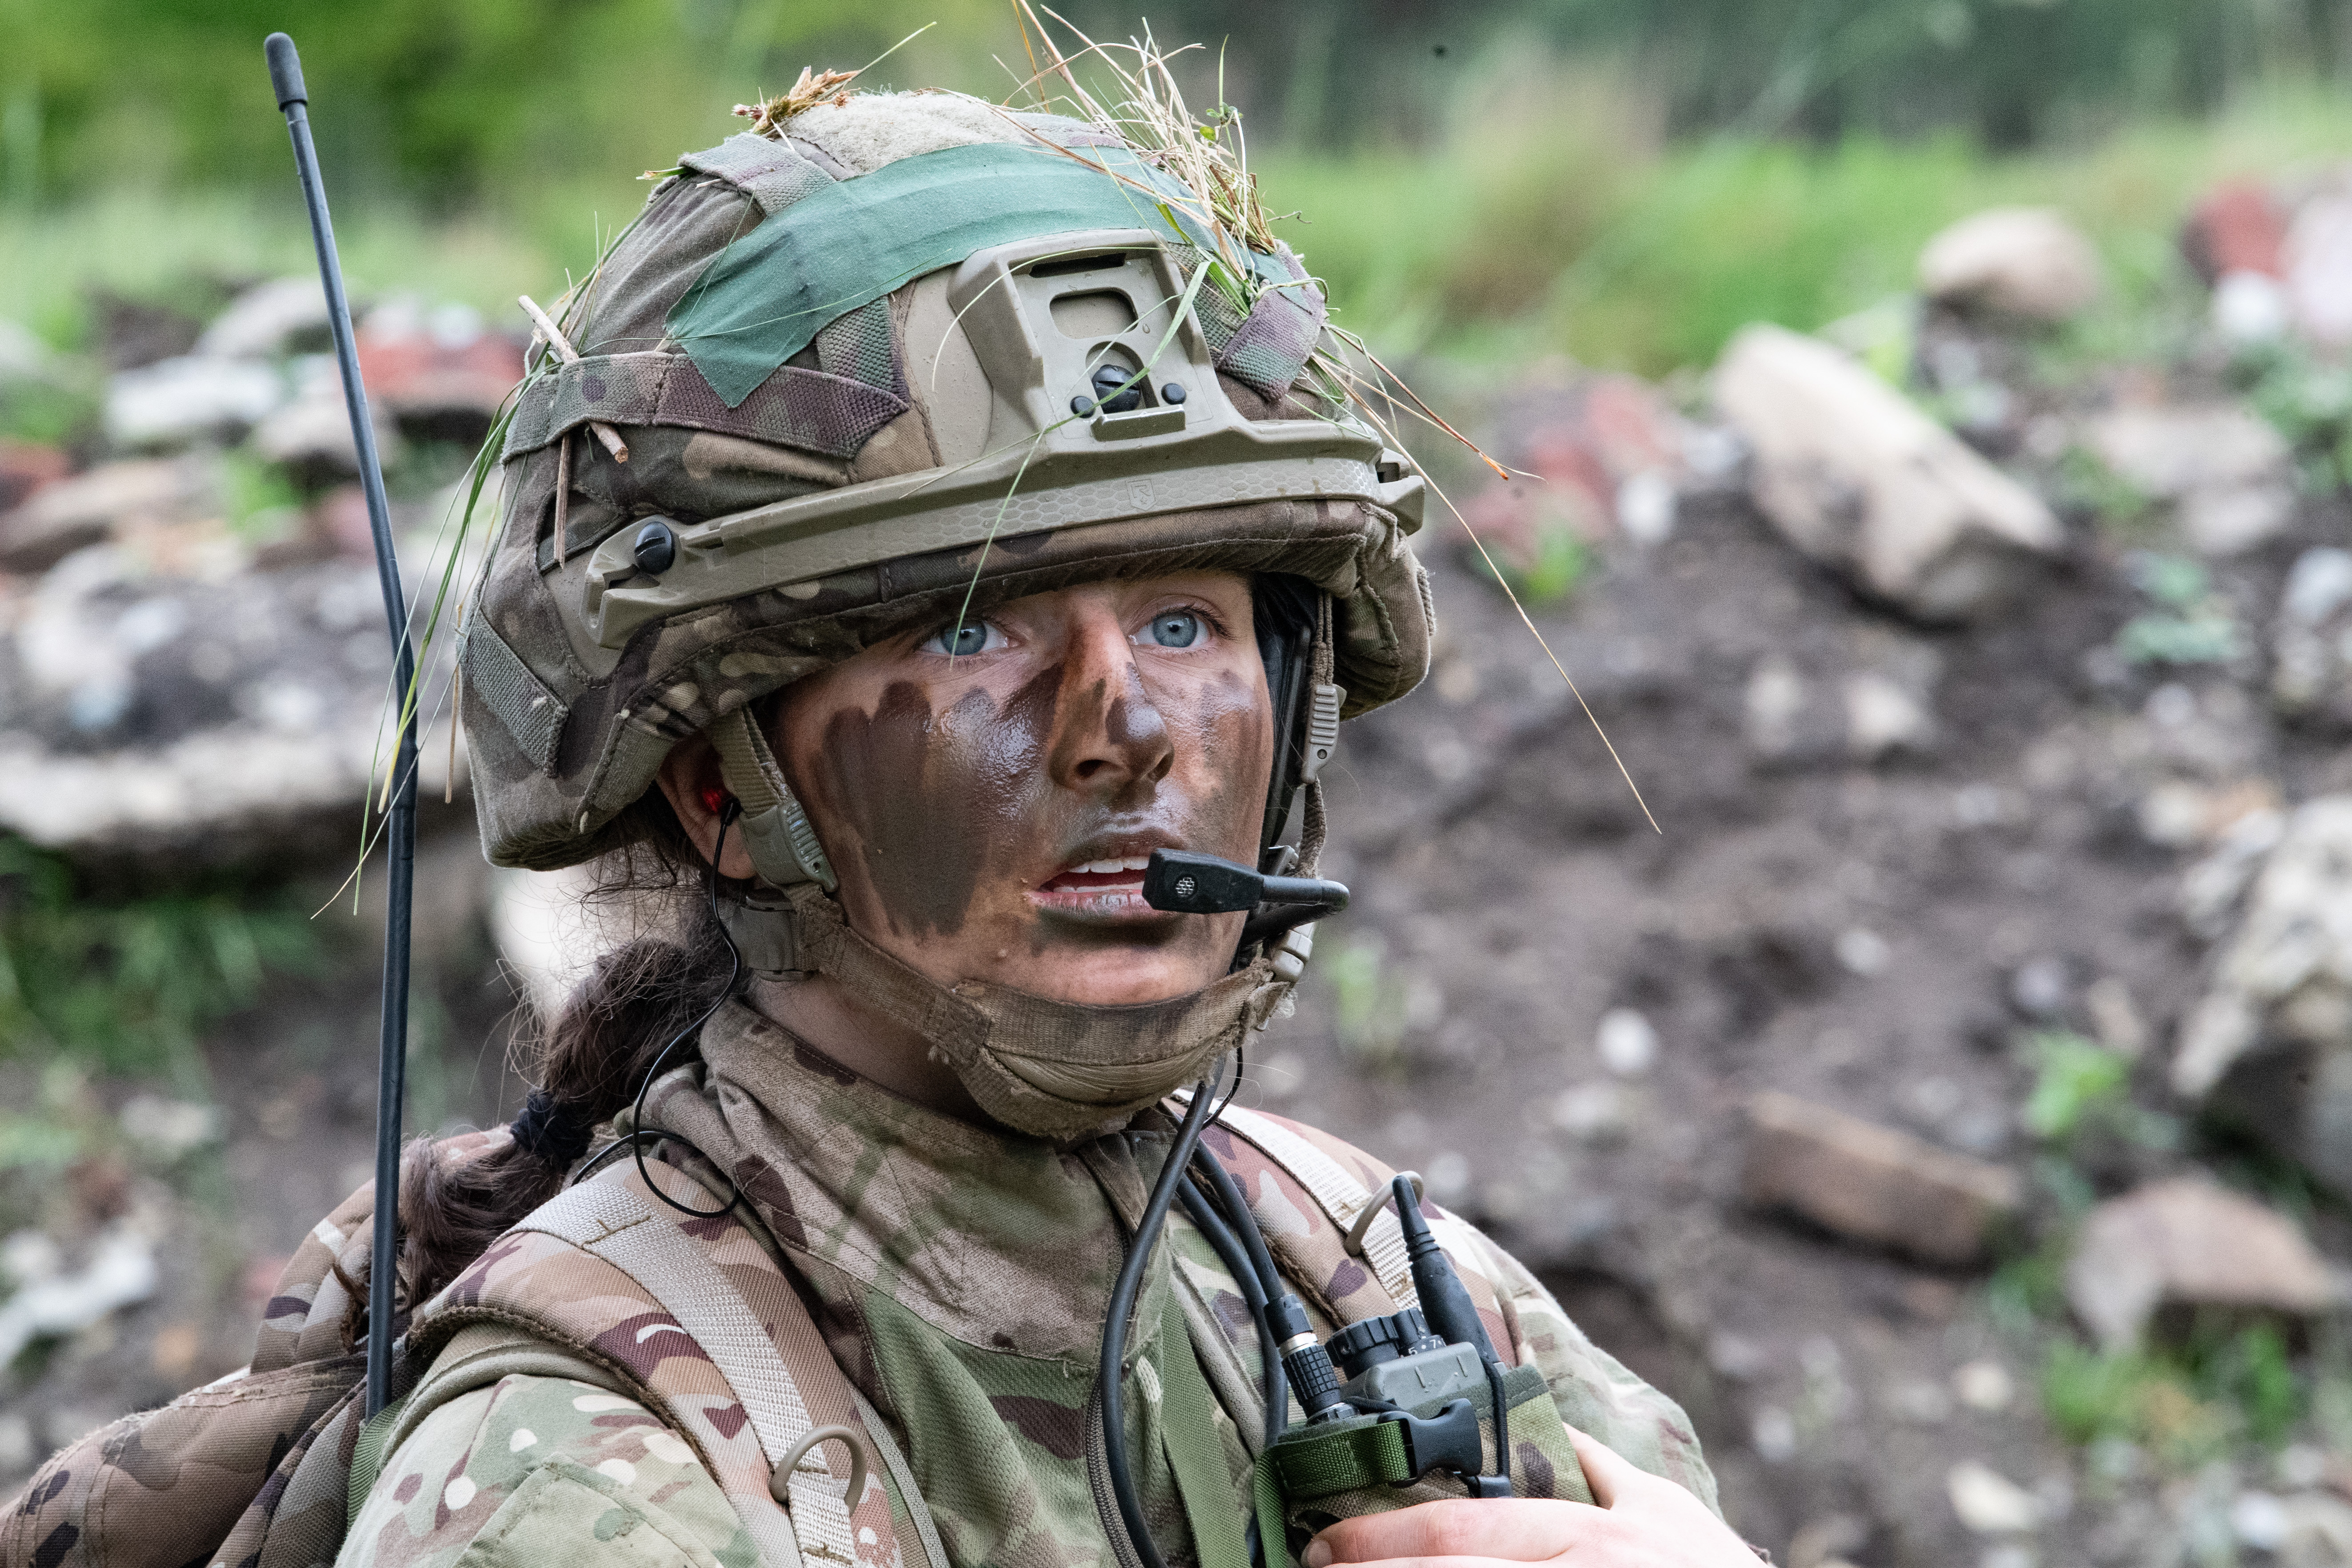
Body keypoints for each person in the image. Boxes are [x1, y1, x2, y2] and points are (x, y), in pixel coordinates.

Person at [338, 72, 1762, 1568]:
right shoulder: (588, 1482)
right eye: (972, 637)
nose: (1126, 734)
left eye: (1180, 621)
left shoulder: (1375, 1277)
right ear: (726, 798)